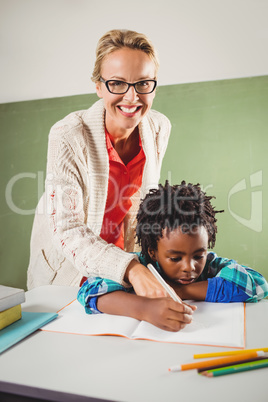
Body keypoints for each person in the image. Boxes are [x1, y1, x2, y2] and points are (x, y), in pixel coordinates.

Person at [27, 29, 179, 302]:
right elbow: (67, 228)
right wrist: (130, 268)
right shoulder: (68, 135)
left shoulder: (159, 127)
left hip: (120, 276)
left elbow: (146, 207)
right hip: (68, 276)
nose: (132, 97)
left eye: (143, 83)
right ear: (98, 86)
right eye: (117, 84)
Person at [77, 181, 268, 331]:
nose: (189, 267)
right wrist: (144, 308)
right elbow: (90, 291)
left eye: (198, 255)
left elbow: (257, 285)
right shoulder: (141, 266)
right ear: (153, 252)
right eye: (176, 258)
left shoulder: (210, 265)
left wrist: (177, 290)